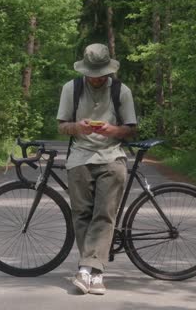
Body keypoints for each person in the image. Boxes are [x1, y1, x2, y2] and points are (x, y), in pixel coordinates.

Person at [56, 43, 137, 295]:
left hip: (111, 155)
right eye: (92, 74)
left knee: (104, 214)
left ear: (108, 70)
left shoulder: (122, 91)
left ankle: (89, 272)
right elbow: (61, 126)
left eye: (101, 73)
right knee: (81, 214)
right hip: (80, 157)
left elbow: (131, 128)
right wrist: (77, 127)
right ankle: (93, 271)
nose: (96, 78)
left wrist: (114, 130)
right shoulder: (72, 88)